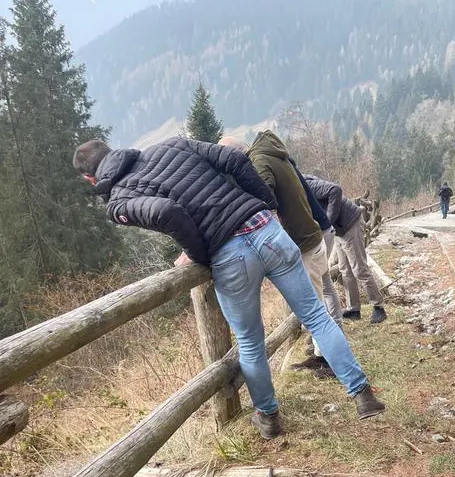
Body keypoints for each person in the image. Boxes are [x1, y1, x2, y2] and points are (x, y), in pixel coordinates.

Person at [72, 137, 386, 440]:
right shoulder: (171, 144)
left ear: (89, 178)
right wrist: (268, 206)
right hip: (266, 228)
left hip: (229, 256)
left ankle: (269, 416)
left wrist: (201, 257)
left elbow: (168, 213)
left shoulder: (118, 202)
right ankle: (362, 395)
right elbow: (235, 158)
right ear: (113, 150)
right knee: (316, 316)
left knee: (250, 341)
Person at [222, 131, 343, 375]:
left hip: (303, 242)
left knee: (316, 310)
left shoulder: (258, 163)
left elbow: (263, 198)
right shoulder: (271, 153)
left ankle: (332, 362)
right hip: (311, 235)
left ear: (235, 156)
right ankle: (322, 355)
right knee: (318, 303)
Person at [304, 173, 388, 324]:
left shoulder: (307, 185)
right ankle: (354, 309)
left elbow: (335, 190)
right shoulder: (301, 188)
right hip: (339, 229)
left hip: (350, 223)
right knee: (345, 270)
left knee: (359, 268)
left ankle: (379, 307)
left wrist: (329, 221)